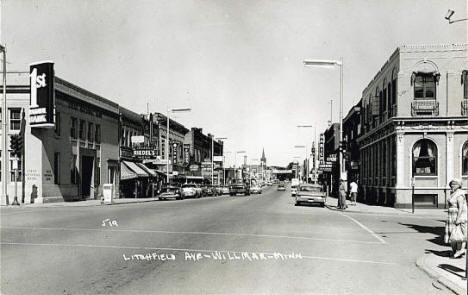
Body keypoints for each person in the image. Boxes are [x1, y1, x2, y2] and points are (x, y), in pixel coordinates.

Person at [446, 179, 467, 258]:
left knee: (458, 234)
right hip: (451, 215)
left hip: (457, 215)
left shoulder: (460, 194)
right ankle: (455, 251)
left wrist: (458, 219)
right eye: (451, 184)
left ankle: (459, 251)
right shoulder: (452, 193)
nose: (452, 185)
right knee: (451, 233)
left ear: (459, 185)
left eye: (454, 184)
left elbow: (461, 208)